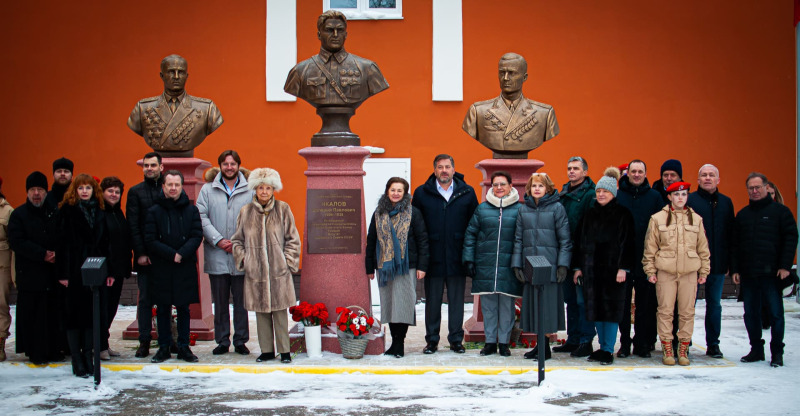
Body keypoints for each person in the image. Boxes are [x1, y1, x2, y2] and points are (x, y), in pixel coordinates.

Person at [231, 168, 300, 364]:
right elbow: (237, 240)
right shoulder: (246, 211)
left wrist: (287, 261)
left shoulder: (283, 209)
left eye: (268, 188)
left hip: (279, 272)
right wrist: (245, 260)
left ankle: (284, 351)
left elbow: (293, 239)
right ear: (255, 189)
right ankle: (267, 351)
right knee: (261, 314)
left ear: (273, 189)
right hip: (256, 273)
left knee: (279, 313)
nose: (264, 192)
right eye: (260, 188)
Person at [412, 154, 478, 354]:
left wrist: (470, 254)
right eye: (440, 167)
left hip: (457, 256)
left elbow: (474, 224)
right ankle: (432, 340)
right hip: (432, 257)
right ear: (434, 170)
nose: (444, 170)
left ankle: (456, 340)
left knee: (457, 302)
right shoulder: (422, 193)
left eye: (447, 167)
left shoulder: (467, 192)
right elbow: (416, 224)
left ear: (453, 169)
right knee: (432, 302)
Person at [731, 173, 798, 367]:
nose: (754, 191)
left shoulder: (780, 212)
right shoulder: (743, 215)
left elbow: (791, 238)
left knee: (776, 314)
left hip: (772, 274)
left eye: (758, 187)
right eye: (751, 188)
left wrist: (785, 266)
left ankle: (777, 352)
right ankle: (756, 350)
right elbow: (735, 244)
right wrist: (735, 269)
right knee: (750, 314)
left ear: (767, 187)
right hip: (749, 273)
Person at [572, 167, 635, 365]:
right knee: (596, 310)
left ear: (612, 193)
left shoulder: (623, 214)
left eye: (605, 192)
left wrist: (623, 268)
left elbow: (629, 244)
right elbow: (579, 242)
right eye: (598, 191)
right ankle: (600, 347)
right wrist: (578, 268)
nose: (600, 194)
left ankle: (608, 348)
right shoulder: (589, 214)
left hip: (613, 272)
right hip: (592, 271)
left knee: (611, 311)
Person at [643, 182, 710, 366]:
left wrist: (704, 271)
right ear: (669, 197)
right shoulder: (657, 218)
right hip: (666, 271)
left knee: (687, 312)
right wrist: (650, 271)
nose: (680, 198)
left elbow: (703, 248)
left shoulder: (696, 219)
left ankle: (683, 348)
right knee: (665, 311)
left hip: (689, 272)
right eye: (677, 194)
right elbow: (650, 248)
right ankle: (667, 347)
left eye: (684, 194)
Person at [56, 174, 113, 377]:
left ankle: (89, 355)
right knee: (74, 316)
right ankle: (77, 359)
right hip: (73, 271)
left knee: (92, 315)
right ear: (75, 191)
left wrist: (109, 271)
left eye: (88, 188)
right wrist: (63, 273)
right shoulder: (67, 212)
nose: (85, 191)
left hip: (95, 270)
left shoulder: (100, 211)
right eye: (81, 188)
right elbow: (61, 245)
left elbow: (106, 243)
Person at [196, 150, 253, 356]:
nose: (229, 167)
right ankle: (222, 341)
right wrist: (218, 240)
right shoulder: (207, 189)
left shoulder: (250, 189)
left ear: (239, 165)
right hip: (217, 253)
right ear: (219, 166)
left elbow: (254, 219)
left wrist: (238, 243)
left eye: (233, 164)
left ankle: (240, 340)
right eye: (225, 164)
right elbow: (201, 216)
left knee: (241, 302)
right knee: (219, 302)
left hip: (241, 255)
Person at [512, 172, 572, 361]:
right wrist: (517, 265)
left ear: (548, 188)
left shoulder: (557, 208)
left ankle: (544, 347)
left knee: (546, 307)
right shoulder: (523, 210)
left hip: (550, 266)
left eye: (540, 185)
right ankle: (539, 345)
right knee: (534, 306)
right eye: (534, 186)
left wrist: (563, 264)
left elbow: (565, 239)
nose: (537, 189)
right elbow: (518, 239)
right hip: (530, 266)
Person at [366, 177, 429, 358]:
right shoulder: (379, 213)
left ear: (405, 193)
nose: (396, 193)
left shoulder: (413, 213)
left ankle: (399, 344)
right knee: (389, 304)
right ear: (387, 191)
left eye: (399, 190)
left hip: (406, 266)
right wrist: (369, 267)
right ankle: (394, 343)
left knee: (403, 304)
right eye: (393, 190)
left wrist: (422, 266)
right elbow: (371, 240)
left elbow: (423, 240)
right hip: (384, 267)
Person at [145, 170, 203, 363]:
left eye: (177, 185)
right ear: (163, 186)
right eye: (169, 185)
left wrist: (182, 254)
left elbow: (196, 235)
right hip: (162, 267)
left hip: (184, 266)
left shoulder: (191, 210)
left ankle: (184, 347)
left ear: (182, 186)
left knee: (184, 308)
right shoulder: (154, 211)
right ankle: (163, 347)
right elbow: (150, 239)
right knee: (162, 308)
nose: (173, 188)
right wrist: (172, 254)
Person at [462, 171, 521, 357]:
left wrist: (519, 263)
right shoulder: (482, 209)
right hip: (485, 266)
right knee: (488, 308)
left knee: (506, 308)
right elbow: (470, 235)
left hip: (508, 267)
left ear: (511, 186)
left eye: (503, 184)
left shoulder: (519, 210)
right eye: (496, 184)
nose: (499, 188)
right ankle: (489, 342)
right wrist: (469, 259)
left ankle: (503, 342)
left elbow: (523, 239)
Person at [7, 172, 61, 365]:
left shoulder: (53, 212)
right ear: (27, 192)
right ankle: (34, 351)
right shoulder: (18, 214)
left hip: (51, 274)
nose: (36, 194)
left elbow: (61, 236)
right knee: (33, 315)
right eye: (32, 190)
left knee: (51, 314)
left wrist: (56, 253)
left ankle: (53, 349)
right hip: (30, 273)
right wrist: (42, 254)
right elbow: (17, 241)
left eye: (40, 189)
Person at [462, 53, 559, 159]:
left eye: (512, 73)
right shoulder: (478, 112)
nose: (506, 78)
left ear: (524, 77)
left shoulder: (544, 114)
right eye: (502, 73)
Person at [284, 10, 389, 108]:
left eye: (340, 30)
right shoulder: (300, 72)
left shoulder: (368, 69)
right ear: (319, 35)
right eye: (329, 30)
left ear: (346, 34)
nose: (335, 35)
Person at [127, 55, 224, 157]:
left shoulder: (207, 109)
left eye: (181, 72)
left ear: (187, 76)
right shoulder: (143, 108)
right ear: (162, 75)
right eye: (171, 72)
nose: (176, 76)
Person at [615, 159, 663, 358]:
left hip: (646, 260)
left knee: (645, 305)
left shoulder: (655, 197)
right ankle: (624, 344)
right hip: (623, 261)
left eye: (640, 171)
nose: (636, 174)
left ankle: (642, 343)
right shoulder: (618, 196)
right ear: (627, 173)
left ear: (645, 173)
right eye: (633, 171)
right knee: (623, 305)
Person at [686, 164, 734, 359]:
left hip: (718, 264)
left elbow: (731, 234)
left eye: (711, 175)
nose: (707, 178)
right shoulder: (690, 201)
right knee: (689, 305)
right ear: (698, 180)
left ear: (718, 180)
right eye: (704, 175)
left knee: (714, 305)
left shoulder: (726, 202)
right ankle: (685, 342)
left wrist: (732, 263)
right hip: (693, 264)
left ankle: (713, 344)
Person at [555, 157, 596, 358]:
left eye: (576, 169)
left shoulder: (590, 195)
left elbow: (589, 231)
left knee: (583, 301)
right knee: (570, 300)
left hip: (582, 257)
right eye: (569, 168)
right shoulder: (563, 193)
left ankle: (585, 341)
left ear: (585, 172)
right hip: (566, 256)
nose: (571, 171)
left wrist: (582, 262)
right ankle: (572, 340)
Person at [126, 152, 164, 358]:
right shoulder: (135, 192)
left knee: (167, 300)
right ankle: (144, 341)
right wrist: (139, 253)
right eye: (146, 165)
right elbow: (133, 225)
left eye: (153, 165)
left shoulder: (168, 189)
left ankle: (168, 340)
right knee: (145, 301)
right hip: (145, 258)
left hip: (165, 257)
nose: (149, 169)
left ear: (161, 167)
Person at [99, 176, 132, 360]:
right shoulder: (100, 214)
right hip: (106, 273)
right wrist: (109, 271)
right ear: (102, 193)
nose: (113, 194)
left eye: (117, 192)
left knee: (111, 309)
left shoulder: (118, 213)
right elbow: (103, 245)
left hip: (118, 271)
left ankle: (105, 343)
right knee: (103, 309)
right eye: (110, 191)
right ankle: (100, 345)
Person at [0, 177, 14, 361]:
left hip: (1, 263)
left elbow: (13, 244)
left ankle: (0, 343)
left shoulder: (7, 210)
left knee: (0, 305)